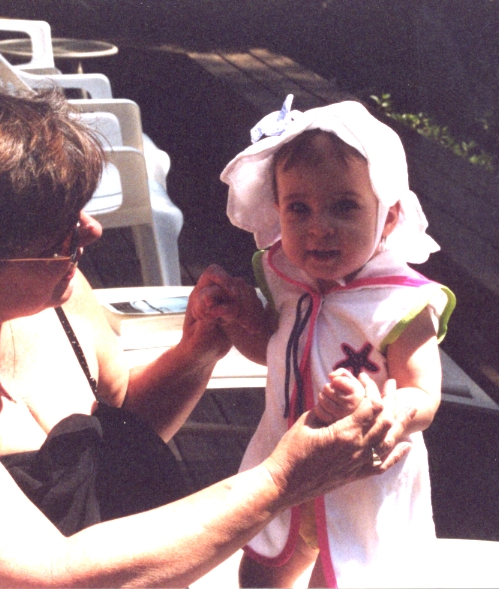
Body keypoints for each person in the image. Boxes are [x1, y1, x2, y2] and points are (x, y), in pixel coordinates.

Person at [0, 68, 419, 588]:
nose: (90, 231)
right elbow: (40, 578)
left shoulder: (53, 291)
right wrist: (282, 480)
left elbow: (115, 426)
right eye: (56, 227)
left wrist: (196, 351)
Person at [193, 97, 456, 588]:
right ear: (277, 210)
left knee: (345, 576)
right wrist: (243, 319)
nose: (319, 227)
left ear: (388, 217)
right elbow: (277, 354)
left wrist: (384, 412)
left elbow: (424, 394)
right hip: (285, 463)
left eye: (344, 206)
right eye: (299, 208)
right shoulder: (287, 279)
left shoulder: (400, 302)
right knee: (259, 574)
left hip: (361, 479)